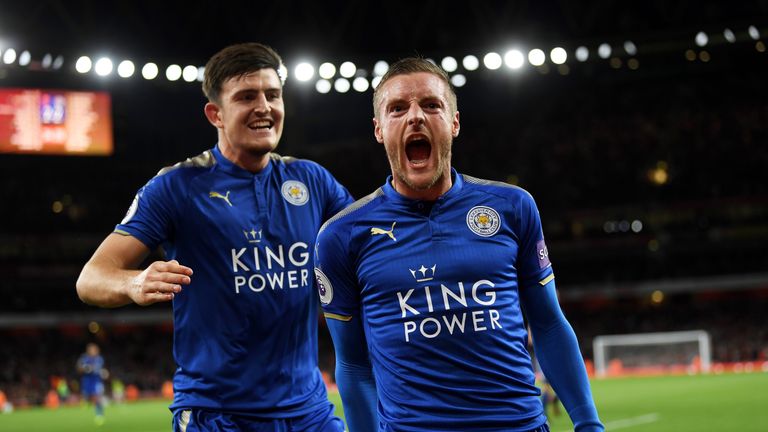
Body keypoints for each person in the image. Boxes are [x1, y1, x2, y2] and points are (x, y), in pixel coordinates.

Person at [313, 57, 604, 432]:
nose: (415, 116)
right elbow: (353, 365)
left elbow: (548, 324)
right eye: (397, 108)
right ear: (379, 129)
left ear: (454, 122)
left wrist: (588, 423)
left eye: (431, 105)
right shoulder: (340, 236)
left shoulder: (513, 207)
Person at [76, 42, 352, 432]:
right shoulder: (177, 187)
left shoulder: (312, 180)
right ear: (215, 114)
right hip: (217, 415)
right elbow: (91, 278)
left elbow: (366, 248)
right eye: (246, 97)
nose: (264, 107)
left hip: (308, 412)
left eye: (273, 95)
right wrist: (134, 281)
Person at [77, 343, 107, 424]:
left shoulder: (99, 359)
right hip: (87, 381)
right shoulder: (84, 358)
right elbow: (79, 369)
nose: (95, 351)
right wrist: (85, 368)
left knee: (97, 397)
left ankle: (99, 414)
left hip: (96, 381)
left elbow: (98, 368)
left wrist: (103, 373)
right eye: (92, 350)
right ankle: (86, 402)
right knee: (87, 397)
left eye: (95, 350)